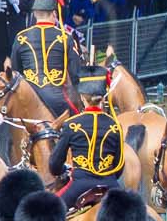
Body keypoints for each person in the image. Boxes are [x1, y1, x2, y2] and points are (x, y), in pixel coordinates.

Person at [51, 72, 128, 206]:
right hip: (111, 185)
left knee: (50, 210)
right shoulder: (115, 125)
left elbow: (54, 165)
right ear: (102, 99)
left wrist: (62, 170)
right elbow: (119, 166)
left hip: (80, 185)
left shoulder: (71, 124)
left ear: (82, 97)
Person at [10, 0, 82, 115]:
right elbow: (75, 73)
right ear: (54, 13)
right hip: (58, 101)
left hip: (29, 99)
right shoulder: (66, 37)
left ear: (35, 14)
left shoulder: (20, 37)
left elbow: (16, 71)